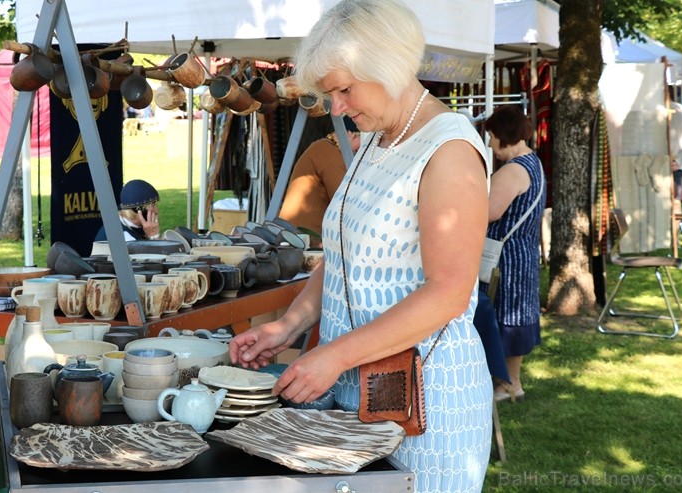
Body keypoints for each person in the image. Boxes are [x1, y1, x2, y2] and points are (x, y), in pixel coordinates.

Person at [229, 1, 492, 491]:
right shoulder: (378, 139)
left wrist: (334, 357)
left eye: (344, 89)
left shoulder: (449, 150)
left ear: (388, 66)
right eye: (331, 93)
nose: (337, 107)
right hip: (359, 393)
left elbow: (450, 292)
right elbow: (346, 258)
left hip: (428, 405)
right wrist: (289, 326)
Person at [481, 105, 546, 403]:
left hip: (505, 257)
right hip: (521, 251)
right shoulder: (532, 162)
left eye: (493, 136)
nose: (492, 144)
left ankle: (507, 384)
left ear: (504, 135)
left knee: (505, 317)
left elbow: (490, 212)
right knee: (514, 316)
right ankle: (511, 383)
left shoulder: (513, 170)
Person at [278, 117, 361, 247]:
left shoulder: (324, 148)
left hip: (298, 238)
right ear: (350, 134)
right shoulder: (328, 151)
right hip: (302, 242)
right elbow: (348, 203)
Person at [94, 179, 161, 241]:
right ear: (139, 211)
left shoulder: (122, 221)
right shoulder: (126, 238)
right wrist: (154, 236)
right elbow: (158, 253)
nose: (156, 211)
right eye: (152, 206)